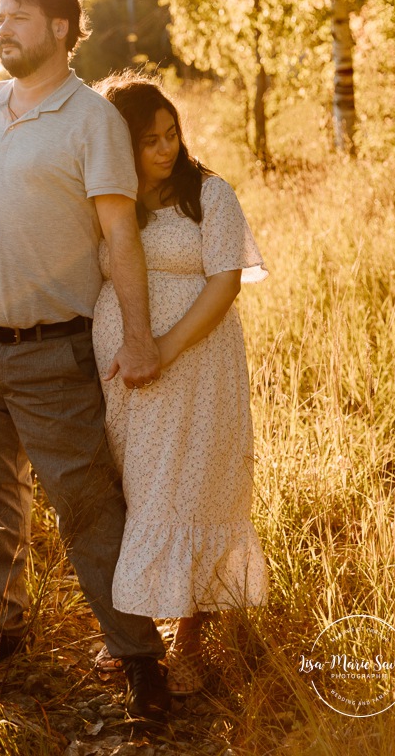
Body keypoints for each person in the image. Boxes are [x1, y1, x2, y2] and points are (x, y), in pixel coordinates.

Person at [0, 0, 170, 722]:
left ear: (62, 29)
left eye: (19, 19)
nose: (2, 29)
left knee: (86, 507)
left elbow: (117, 234)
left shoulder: (89, 120)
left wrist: (138, 337)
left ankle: (139, 658)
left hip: (52, 350)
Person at [92, 72, 269, 696]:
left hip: (197, 363)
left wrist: (162, 347)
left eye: (172, 134)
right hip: (124, 372)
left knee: (192, 489)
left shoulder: (209, 195)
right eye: (150, 140)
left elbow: (225, 282)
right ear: (122, 145)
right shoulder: (107, 200)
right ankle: (139, 640)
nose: (167, 149)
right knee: (142, 491)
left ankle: (190, 638)